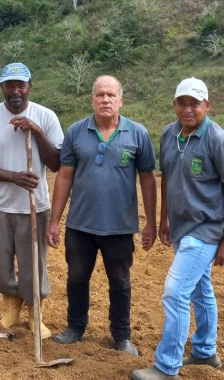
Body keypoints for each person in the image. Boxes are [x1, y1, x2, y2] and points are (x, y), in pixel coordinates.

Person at [131, 78, 224, 380]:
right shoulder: (170, 135)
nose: (187, 109)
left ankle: (167, 366)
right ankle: (205, 351)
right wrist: (165, 219)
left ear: (206, 106)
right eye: (182, 103)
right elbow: (168, 176)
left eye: (194, 103)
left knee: (175, 292)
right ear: (174, 105)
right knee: (199, 288)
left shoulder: (220, 141)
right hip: (182, 228)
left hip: (206, 230)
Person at [46, 75, 157, 356]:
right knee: (76, 278)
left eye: (110, 95)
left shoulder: (138, 133)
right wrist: (54, 221)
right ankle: (75, 327)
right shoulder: (75, 132)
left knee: (120, 282)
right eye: (99, 95)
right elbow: (64, 177)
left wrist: (151, 223)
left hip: (119, 227)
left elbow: (147, 180)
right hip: (80, 225)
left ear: (121, 100)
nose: (105, 100)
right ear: (92, 99)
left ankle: (121, 336)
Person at [0, 62, 64, 338]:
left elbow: (55, 163)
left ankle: (35, 313)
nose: (15, 90)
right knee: (0, 265)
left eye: (21, 85)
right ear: (2, 88)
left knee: (34, 263)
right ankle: (11, 307)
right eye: (10, 85)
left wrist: (37, 131)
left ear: (30, 86)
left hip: (36, 206)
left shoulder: (46, 117)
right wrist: (13, 177)